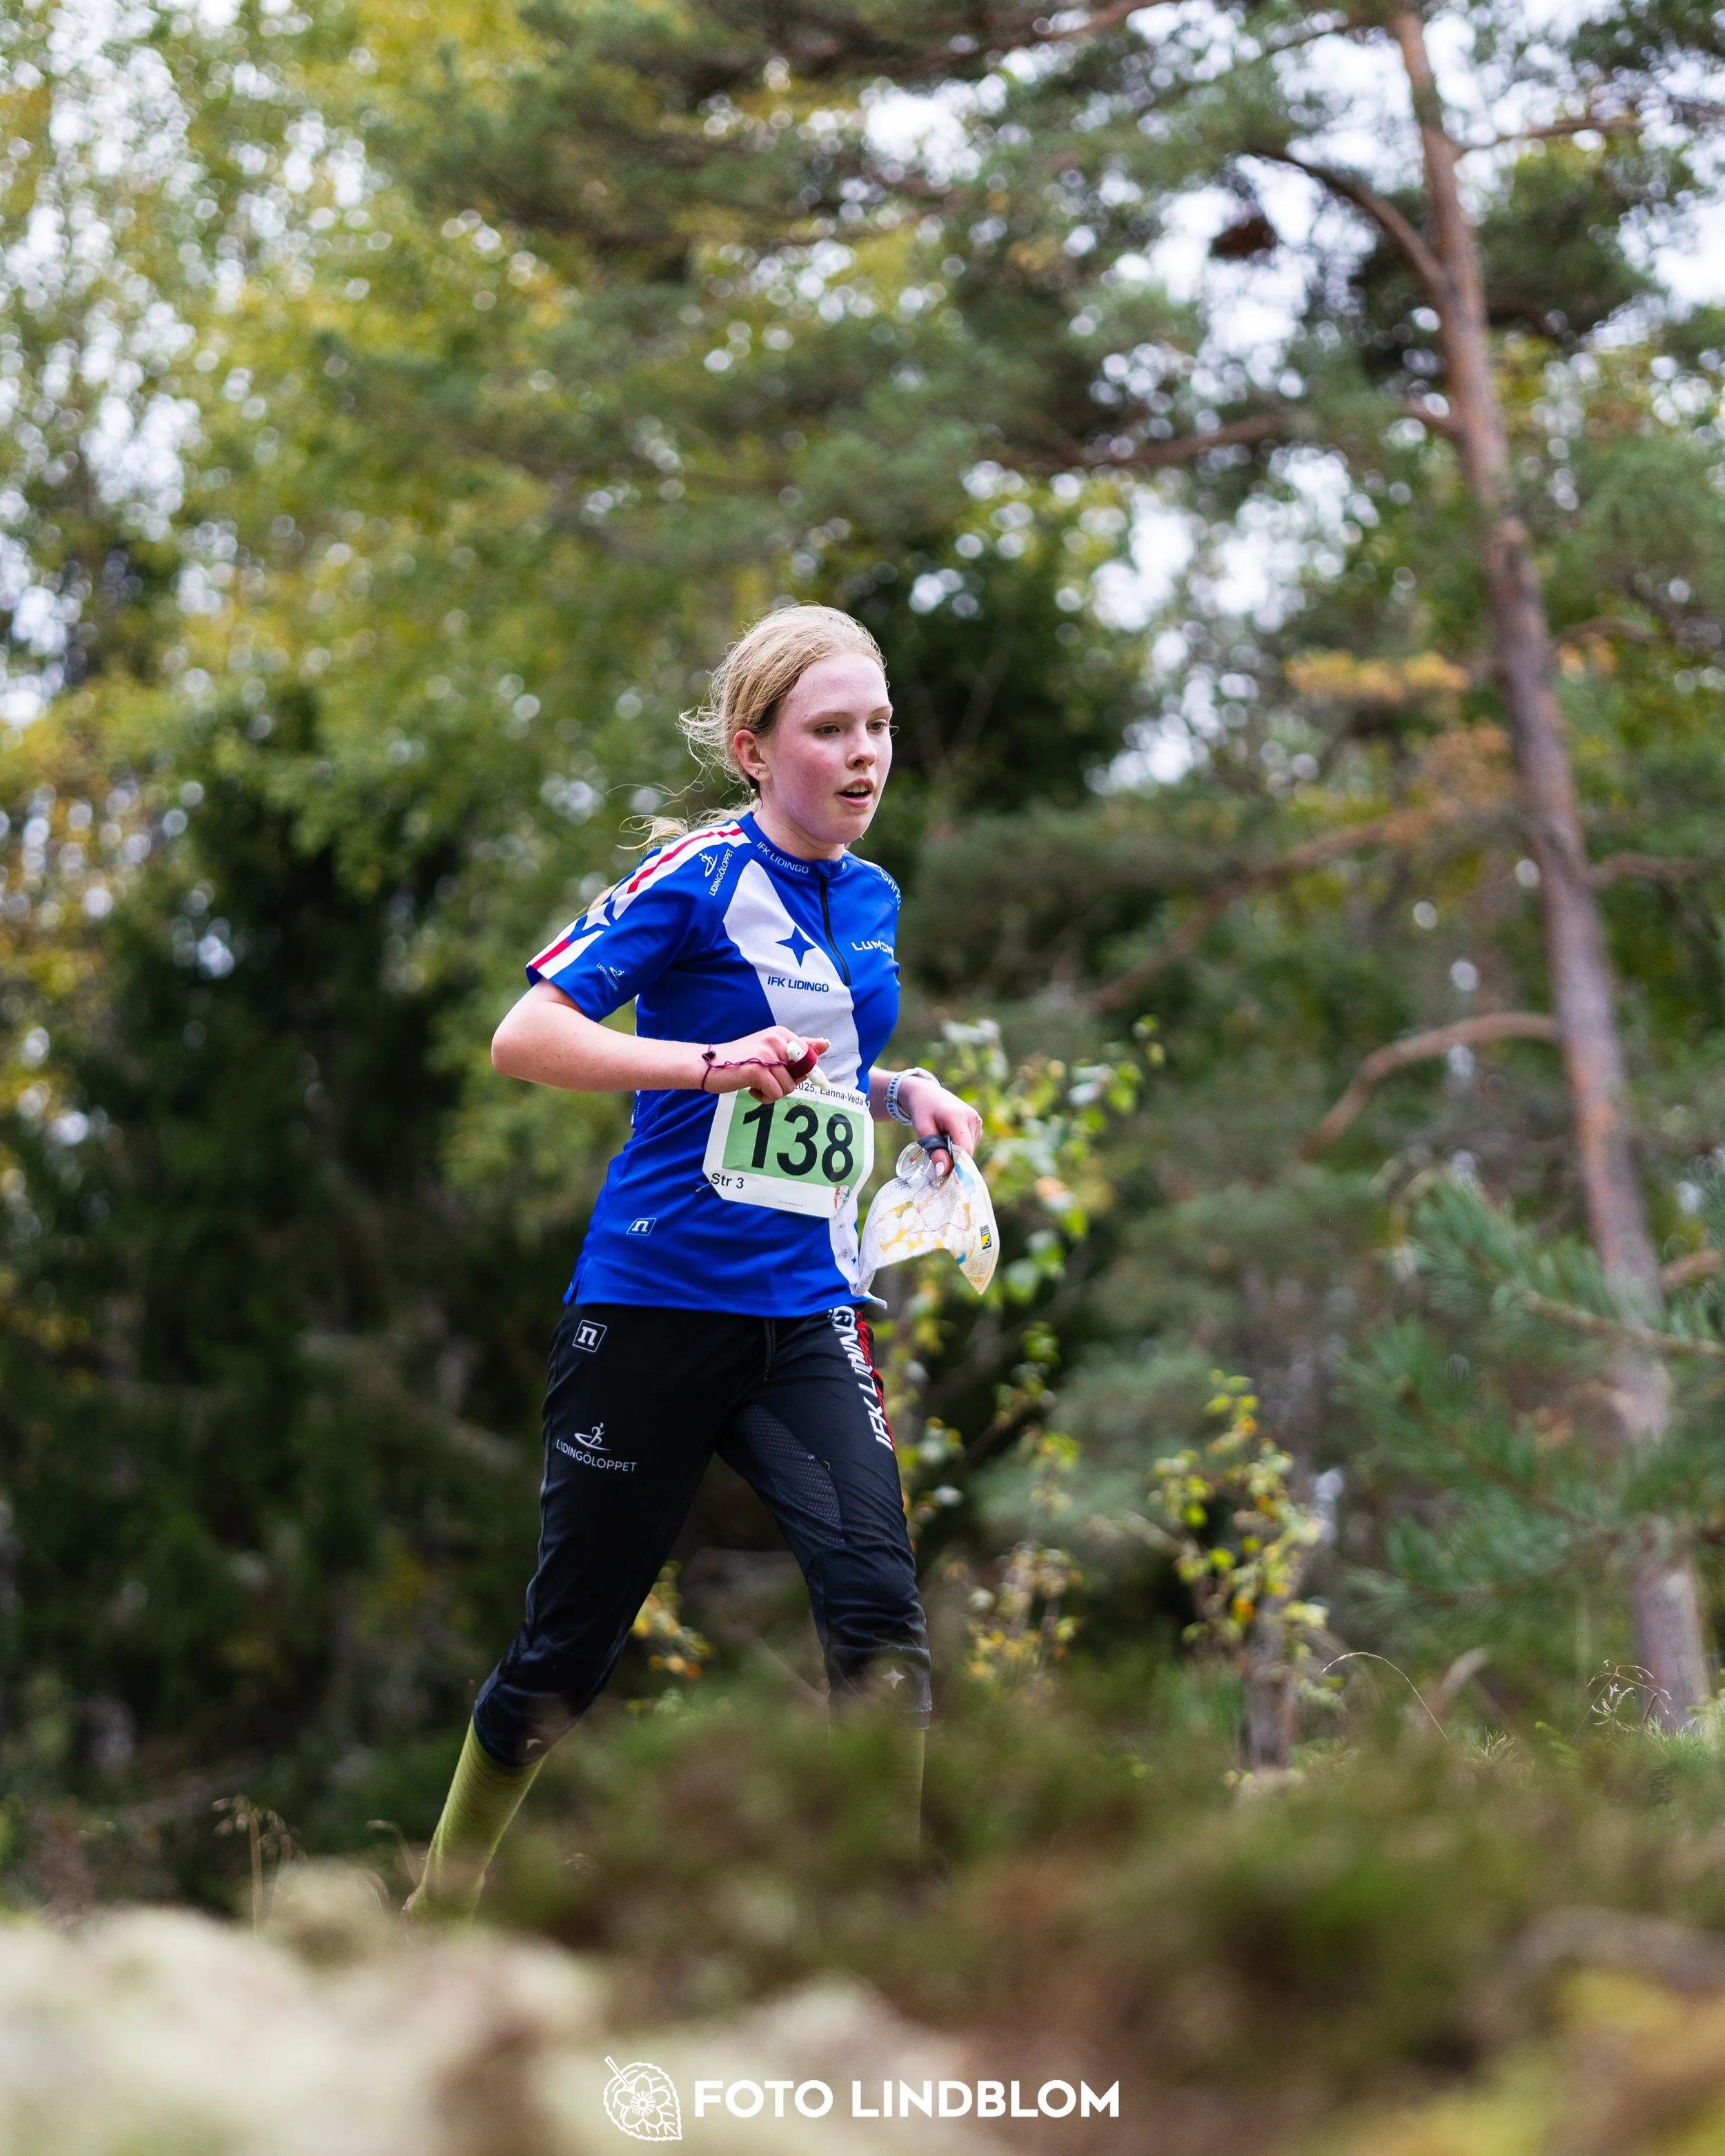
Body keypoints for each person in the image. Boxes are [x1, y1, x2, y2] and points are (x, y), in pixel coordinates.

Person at [408, 604, 982, 1915]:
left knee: (881, 1617)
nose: (864, 754)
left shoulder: (874, 895)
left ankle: (884, 1917)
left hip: (807, 1314)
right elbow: (524, 1037)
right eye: (830, 730)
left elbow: (814, 1066)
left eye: (880, 726)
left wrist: (904, 1095)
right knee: (565, 1657)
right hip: (651, 1309)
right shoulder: (697, 878)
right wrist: (706, 1064)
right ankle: (438, 1908)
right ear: (753, 749)